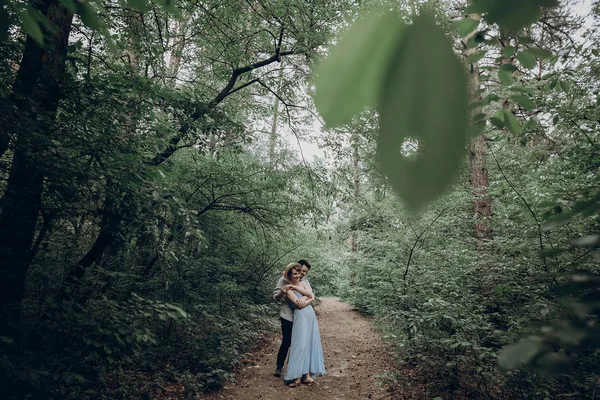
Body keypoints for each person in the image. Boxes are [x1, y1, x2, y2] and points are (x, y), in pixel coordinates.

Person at [281, 263, 325, 387]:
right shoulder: (288, 289)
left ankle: (306, 375)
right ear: (289, 275)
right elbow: (298, 305)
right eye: (294, 274)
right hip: (300, 316)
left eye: (299, 273)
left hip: (310, 315)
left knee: (310, 342)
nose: (297, 276)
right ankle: (296, 377)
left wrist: (306, 296)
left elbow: (311, 296)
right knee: (300, 344)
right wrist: (309, 298)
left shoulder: (303, 284)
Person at [272, 259, 312, 377]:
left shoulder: (304, 281)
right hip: (287, 315)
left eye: (305, 272)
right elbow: (275, 297)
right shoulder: (283, 280)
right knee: (287, 341)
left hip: (301, 316)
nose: (303, 274)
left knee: (299, 342)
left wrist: (304, 300)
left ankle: (293, 368)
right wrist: (282, 293)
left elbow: (310, 295)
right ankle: (279, 366)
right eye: (302, 270)